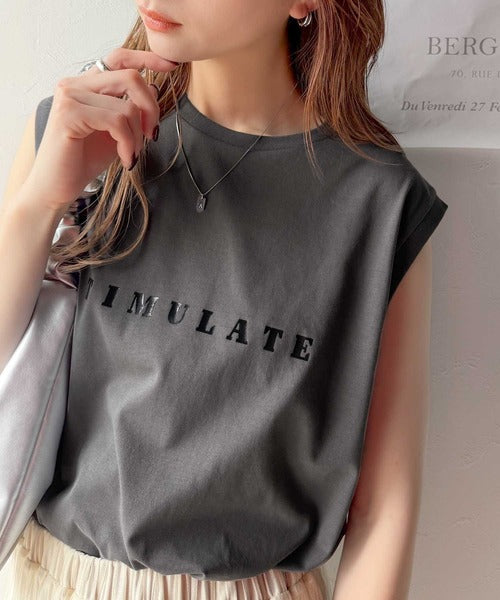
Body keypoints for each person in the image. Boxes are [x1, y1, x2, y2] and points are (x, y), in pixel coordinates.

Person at [0, 0, 449, 599]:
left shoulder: (381, 201)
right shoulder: (76, 130)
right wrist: (40, 202)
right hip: (58, 581)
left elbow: (383, 508)